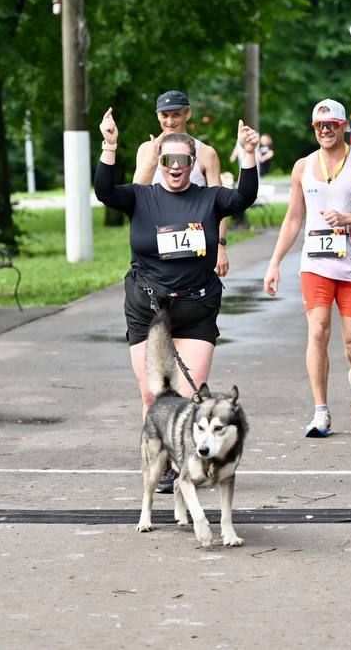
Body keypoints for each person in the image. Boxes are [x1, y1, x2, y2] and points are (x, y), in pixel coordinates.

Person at [95, 107, 260, 488]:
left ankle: (183, 460)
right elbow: (104, 191)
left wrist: (248, 155)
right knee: (154, 395)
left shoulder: (209, 198)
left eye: (182, 161)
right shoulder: (140, 197)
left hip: (196, 306)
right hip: (147, 307)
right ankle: (160, 465)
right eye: (167, 160)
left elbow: (243, 198)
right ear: (159, 162)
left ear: (192, 162)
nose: (174, 167)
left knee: (186, 396)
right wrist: (109, 145)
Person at [263, 99, 351, 437]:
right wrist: (275, 263)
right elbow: (293, 219)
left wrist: (349, 218)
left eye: (333, 124)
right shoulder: (302, 167)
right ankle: (321, 412)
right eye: (320, 125)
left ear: (345, 126)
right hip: (315, 264)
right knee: (317, 331)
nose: (326, 130)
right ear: (314, 128)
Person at [134, 91, 232, 277]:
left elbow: (220, 206)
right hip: (154, 247)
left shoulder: (205, 153)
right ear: (157, 116)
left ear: (187, 114)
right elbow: (134, 196)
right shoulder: (146, 150)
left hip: (194, 248)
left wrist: (220, 248)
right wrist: (151, 161)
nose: (170, 121)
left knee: (191, 301)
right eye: (165, 115)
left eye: (176, 115)